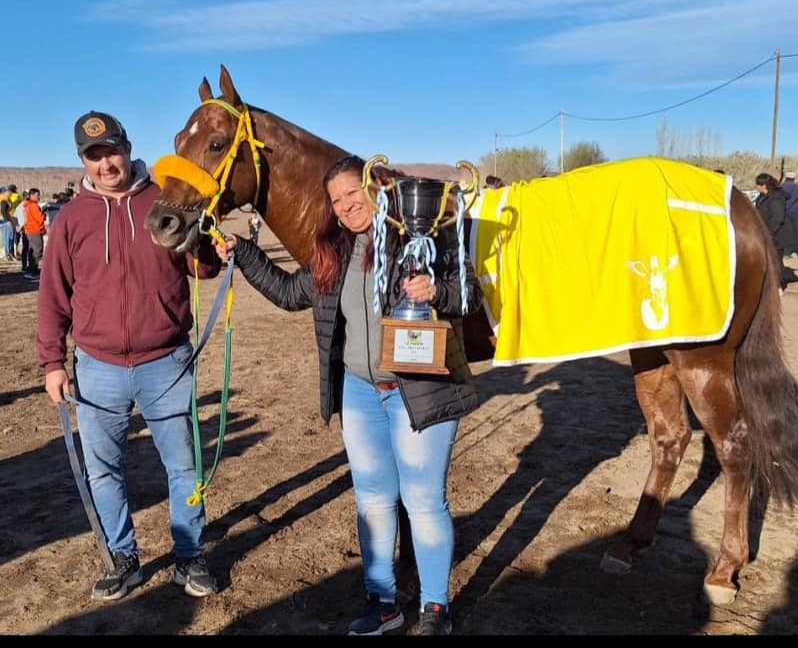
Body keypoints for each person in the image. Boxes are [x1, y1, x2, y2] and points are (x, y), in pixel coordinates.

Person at [215, 155, 482, 636]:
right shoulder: (333, 249)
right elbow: (289, 292)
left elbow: (470, 295)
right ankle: (383, 602)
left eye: (351, 195)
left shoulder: (424, 234)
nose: (344, 207)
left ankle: (435, 608)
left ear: (376, 187)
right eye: (335, 201)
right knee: (373, 500)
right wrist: (245, 252)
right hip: (359, 392)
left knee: (423, 500)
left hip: (419, 390)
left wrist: (435, 290)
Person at [36, 111, 222, 601]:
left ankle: (189, 556)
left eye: (111, 151)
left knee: (184, 465)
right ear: (83, 160)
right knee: (103, 469)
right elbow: (53, 296)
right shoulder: (71, 218)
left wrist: (211, 247)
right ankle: (123, 557)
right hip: (97, 367)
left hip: (166, 361)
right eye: (94, 156)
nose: (106, 163)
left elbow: (199, 267)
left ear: (127, 147)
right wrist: (53, 363)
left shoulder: (161, 199)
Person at [754, 172, 787, 291]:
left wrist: (768, 233)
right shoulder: (761, 197)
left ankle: (778, 285)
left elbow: (777, 218)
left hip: (775, 235)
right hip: (762, 233)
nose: (755, 186)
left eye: (757, 184)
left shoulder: (776, 198)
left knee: (776, 260)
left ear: (763, 185)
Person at [780, 172, 798, 259]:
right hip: (795, 211)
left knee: (788, 232)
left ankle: (788, 252)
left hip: (785, 212)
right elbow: (795, 198)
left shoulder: (781, 186)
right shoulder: (795, 187)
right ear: (793, 178)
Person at [22, 188, 46, 280]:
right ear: (32, 195)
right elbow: (39, 218)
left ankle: (30, 269)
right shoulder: (33, 206)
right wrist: (43, 213)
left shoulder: (28, 205)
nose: (39, 197)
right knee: (37, 251)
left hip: (30, 230)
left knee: (32, 250)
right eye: (37, 195)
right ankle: (33, 270)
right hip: (34, 230)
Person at [0, 186, 12, 261]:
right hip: (3, 221)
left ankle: (6, 254)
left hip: (3, 220)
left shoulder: (5, 199)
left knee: (5, 238)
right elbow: (3, 211)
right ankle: (5, 255)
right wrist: (7, 221)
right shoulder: (3, 199)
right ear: (4, 192)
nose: (10, 193)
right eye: (9, 191)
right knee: (6, 238)